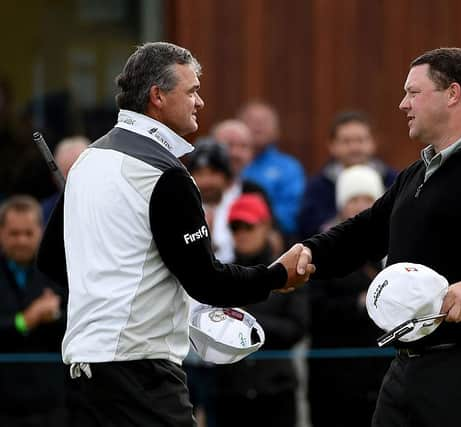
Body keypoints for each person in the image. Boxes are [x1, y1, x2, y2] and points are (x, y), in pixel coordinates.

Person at [36, 42, 313, 427]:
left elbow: (49, 259)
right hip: (140, 371)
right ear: (157, 96)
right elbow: (206, 280)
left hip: (84, 369)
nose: (199, 102)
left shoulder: (88, 160)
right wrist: (276, 276)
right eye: (192, 91)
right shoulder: (164, 172)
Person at [286, 47, 461, 426]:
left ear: (452, 94)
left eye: (413, 92)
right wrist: (308, 253)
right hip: (407, 367)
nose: (402, 104)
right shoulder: (415, 174)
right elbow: (365, 231)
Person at [213, 194, 308, 427]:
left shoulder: (287, 271)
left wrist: (244, 320)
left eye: (248, 226)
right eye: (235, 227)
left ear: (265, 226)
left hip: (276, 389)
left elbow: (297, 329)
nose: (242, 233)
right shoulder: (220, 275)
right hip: (231, 392)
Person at [308, 165, 388, 427]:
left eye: (368, 199)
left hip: (382, 373)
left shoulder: (394, 246)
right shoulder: (324, 248)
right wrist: (358, 304)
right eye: (354, 199)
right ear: (341, 205)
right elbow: (313, 306)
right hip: (334, 373)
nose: (361, 206)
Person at [0, 195, 66, 426]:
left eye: (28, 233)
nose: (22, 241)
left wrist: (54, 315)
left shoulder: (58, 271)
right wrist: (26, 319)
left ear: (40, 230)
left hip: (52, 401)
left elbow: (76, 325)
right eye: (14, 233)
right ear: (1, 233)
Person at [298, 111, 397, 238]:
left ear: (373, 143)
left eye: (360, 140)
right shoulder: (318, 186)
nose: (354, 147)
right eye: (346, 141)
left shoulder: (393, 180)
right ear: (332, 145)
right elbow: (308, 229)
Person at [238, 101, 305, 237]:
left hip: (273, 236)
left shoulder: (289, 167)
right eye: (252, 120)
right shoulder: (231, 162)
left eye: (264, 121)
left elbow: (291, 214)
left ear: (276, 129)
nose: (258, 126)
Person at [41, 136, 90, 221]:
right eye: (67, 172)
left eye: (78, 173)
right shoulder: (43, 213)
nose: (72, 180)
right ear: (53, 176)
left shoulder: (111, 205)